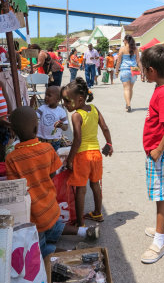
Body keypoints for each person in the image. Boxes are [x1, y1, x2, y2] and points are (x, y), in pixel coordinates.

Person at [5, 106, 99, 258]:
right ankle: (84, 231)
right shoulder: (47, 149)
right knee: (55, 227)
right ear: (37, 128)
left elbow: (15, 188)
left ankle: (72, 253)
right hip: (50, 206)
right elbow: (53, 173)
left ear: (12, 132)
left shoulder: (11, 158)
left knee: (40, 250)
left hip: (33, 216)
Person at [140, 45, 164, 264]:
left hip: (160, 154)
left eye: (145, 70)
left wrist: (158, 149)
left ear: (152, 70)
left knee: (160, 195)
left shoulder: (163, 92)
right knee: (163, 193)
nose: (144, 73)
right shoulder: (163, 88)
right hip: (161, 153)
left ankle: (159, 240)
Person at [61, 77, 113, 227]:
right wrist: (109, 144)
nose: (65, 104)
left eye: (67, 101)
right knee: (95, 184)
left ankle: (80, 222)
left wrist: (70, 159)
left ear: (80, 99)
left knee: (81, 189)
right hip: (96, 155)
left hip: (82, 156)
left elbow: (77, 139)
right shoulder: (95, 109)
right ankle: (98, 213)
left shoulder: (76, 115)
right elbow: (105, 128)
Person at [115, 35, 143, 112]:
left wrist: (116, 71)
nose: (123, 42)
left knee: (126, 88)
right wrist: (142, 72)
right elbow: (138, 61)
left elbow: (118, 61)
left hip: (125, 69)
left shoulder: (122, 49)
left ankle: (129, 105)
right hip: (134, 69)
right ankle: (128, 104)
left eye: (123, 40)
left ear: (126, 41)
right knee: (130, 88)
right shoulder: (135, 49)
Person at [36, 86, 68, 152]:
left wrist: (61, 125)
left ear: (58, 99)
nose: (46, 97)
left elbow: (66, 127)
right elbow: (34, 117)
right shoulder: (42, 108)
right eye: (45, 95)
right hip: (41, 141)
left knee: (53, 160)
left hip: (54, 142)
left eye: (49, 95)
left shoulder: (61, 111)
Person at [0, 79, 12, 161]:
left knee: (2, 151)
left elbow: (8, 102)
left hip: (3, 125)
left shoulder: (0, 82)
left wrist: (11, 120)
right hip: (2, 123)